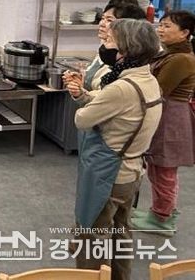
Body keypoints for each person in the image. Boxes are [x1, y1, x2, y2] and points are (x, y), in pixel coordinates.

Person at [66, 19, 162, 280]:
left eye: (111, 41)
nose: (106, 46)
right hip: (133, 171)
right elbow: (112, 103)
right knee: (121, 233)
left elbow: (82, 119)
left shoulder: (120, 87)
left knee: (91, 237)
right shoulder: (148, 80)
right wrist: (85, 95)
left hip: (108, 175)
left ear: (126, 49)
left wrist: (86, 102)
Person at [131, 11, 195, 235]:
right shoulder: (170, 53)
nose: (161, 29)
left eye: (168, 26)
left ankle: (163, 219)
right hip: (165, 113)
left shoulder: (181, 59)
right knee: (157, 167)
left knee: (165, 170)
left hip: (171, 118)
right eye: (161, 25)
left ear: (184, 33)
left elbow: (157, 89)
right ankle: (159, 211)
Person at [80, 0, 146, 91]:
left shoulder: (127, 60)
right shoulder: (105, 48)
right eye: (103, 18)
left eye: (109, 20)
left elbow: (106, 92)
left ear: (125, 27)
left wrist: (82, 93)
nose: (102, 23)